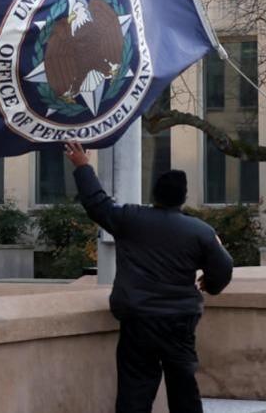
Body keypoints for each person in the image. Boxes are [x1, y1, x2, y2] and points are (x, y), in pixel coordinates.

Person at [64, 142, 234, 413]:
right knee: (183, 386)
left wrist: (83, 165)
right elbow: (224, 267)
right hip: (179, 320)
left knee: (135, 386)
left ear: (155, 194)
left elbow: (96, 203)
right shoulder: (200, 231)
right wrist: (210, 284)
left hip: (138, 318)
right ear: (183, 197)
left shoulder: (131, 219)